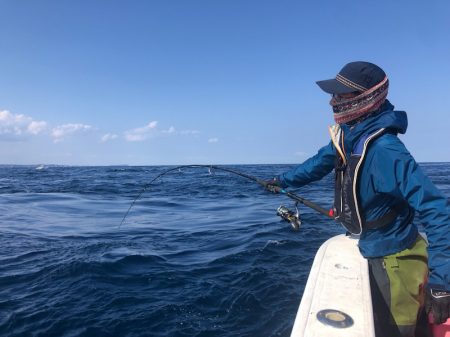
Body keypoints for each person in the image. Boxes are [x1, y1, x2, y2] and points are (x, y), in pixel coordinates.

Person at [265, 61, 449, 337]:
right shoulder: (349, 134)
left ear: (367, 97)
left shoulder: (386, 150)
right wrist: (282, 182)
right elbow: (319, 163)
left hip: (395, 259)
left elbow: (437, 210)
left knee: (399, 330)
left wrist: (442, 281)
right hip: (370, 246)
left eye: (341, 95)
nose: (332, 101)